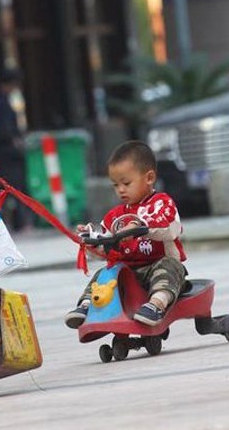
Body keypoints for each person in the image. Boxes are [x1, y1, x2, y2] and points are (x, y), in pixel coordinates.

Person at [64, 140, 188, 329]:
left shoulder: (161, 204)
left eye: (126, 183)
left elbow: (170, 227)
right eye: (115, 185)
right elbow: (105, 244)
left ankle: (156, 305)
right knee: (104, 273)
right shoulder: (115, 215)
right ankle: (87, 305)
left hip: (157, 264)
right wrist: (91, 239)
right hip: (129, 271)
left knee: (169, 267)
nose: (120, 189)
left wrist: (139, 226)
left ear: (149, 178)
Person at [0, 66, 32, 233]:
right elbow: (4, 128)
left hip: (0, 150)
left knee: (7, 186)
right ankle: (17, 221)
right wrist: (14, 141)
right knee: (12, 186)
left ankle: (14, 220)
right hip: (5, 151)